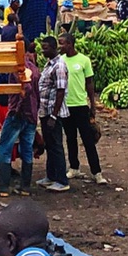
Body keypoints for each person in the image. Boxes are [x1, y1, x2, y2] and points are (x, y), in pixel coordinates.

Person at [57, 29, 103, 183]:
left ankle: (97, 172)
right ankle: (74, 168)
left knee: (88, 139)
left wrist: (92, 104)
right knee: (70, 139)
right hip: (66, 106)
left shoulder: (84, 60)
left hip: (80, 105)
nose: (59, 46)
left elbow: (89, 83)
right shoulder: (60, 61)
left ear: (70, 44)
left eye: (62, 43)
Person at [0, 47, 40, 196]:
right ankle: (25, 187)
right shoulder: (35, 68)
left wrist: (17, 109)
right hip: (32, 115)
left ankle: (3, 188)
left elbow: (25, 88)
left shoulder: (19, 68)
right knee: (27, 150)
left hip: (18, 114)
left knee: (5, 149)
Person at [37, 36, 72, 192]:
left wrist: (53, 115)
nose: (43, 51)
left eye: (46, 48)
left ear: (53, 48)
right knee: (49, 144)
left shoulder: (59, 66)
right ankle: (50, 176)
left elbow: (60, 91)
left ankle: (62, 180)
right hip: (45, 111)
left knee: (56, 145)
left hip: (53, 113)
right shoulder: (49, 64)